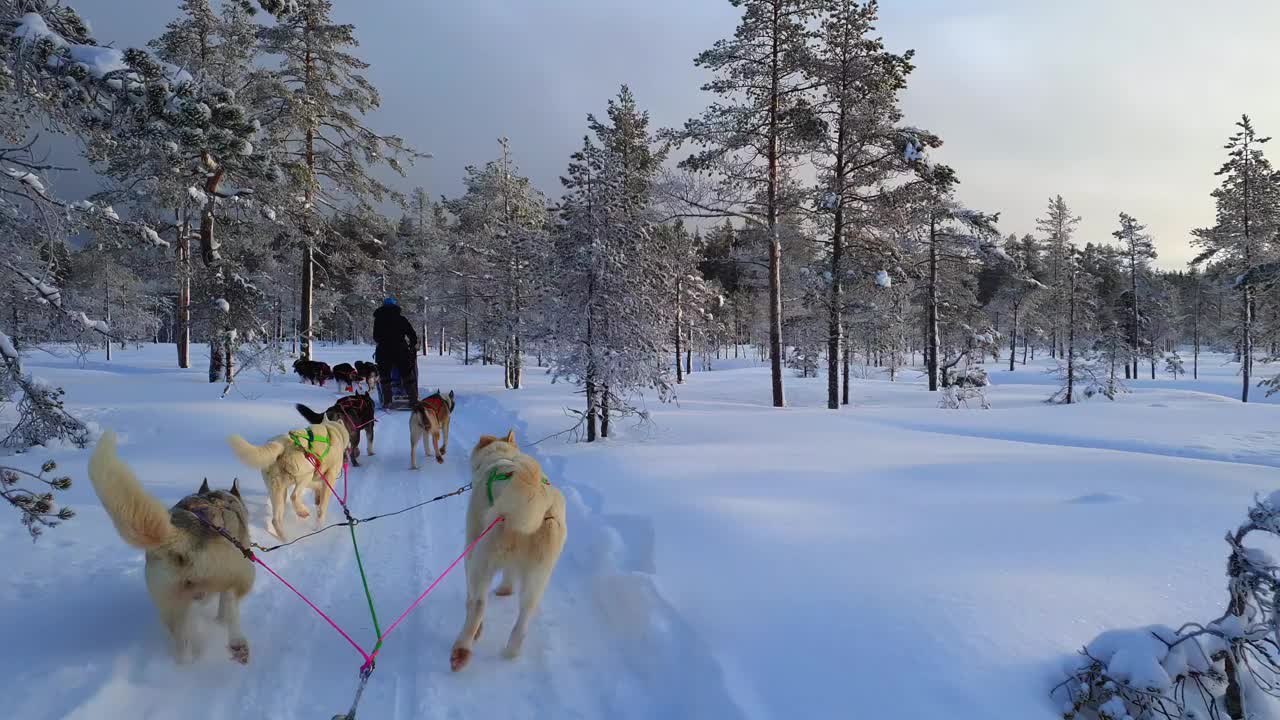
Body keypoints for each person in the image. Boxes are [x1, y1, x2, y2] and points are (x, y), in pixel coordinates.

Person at [373, 297, 418, 408]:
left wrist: (384, 341)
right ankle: (413, 400)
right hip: (400, 350)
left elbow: (376, 336)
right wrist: (412, 345)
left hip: (383, 351)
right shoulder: (401, 319)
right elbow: (412, 334)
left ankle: (387, 401)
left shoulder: (378, 319)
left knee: (385, 377)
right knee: (407, 375)